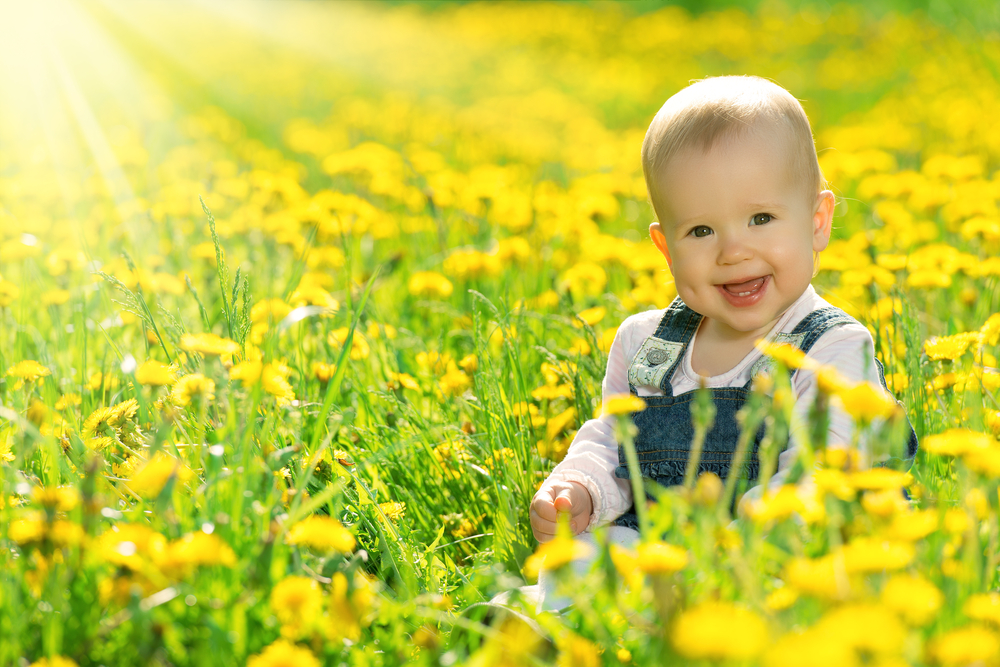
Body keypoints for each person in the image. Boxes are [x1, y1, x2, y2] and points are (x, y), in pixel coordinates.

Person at [527, 76, 917, 607]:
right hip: (663, 556)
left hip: (777, 567)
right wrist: (579, 490)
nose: (733, 250)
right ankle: (549, 624)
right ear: (666, 248)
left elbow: (818, 477)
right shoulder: (647, 346)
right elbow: (613, 446)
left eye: (761, 218)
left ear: (817, 221)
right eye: (701, 231)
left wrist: (728, 557)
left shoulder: (834, 348)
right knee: (587, 557)